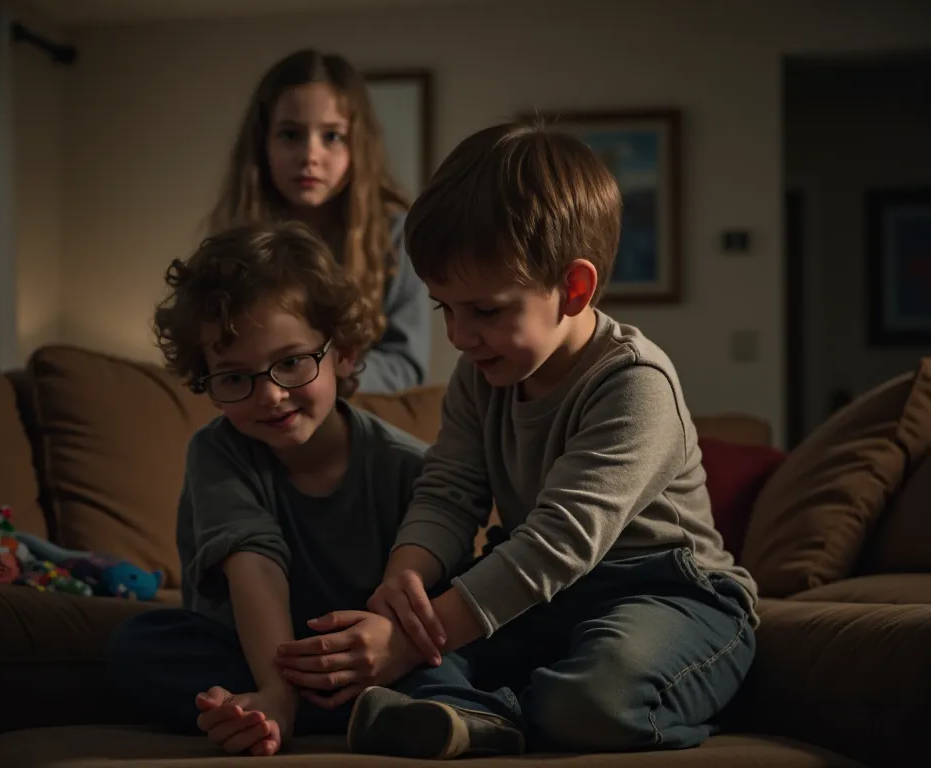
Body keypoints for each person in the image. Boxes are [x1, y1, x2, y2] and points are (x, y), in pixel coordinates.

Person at [274, 122, 761, 759]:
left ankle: (512, 705)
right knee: (403, 660)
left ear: (574, 288)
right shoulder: (481, 376)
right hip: (544, 598)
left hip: (667, 592)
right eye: (444, 308)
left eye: (485, 310)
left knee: (591, 699)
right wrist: (403, 590)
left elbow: (559, 542)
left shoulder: (635, 383)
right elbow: (449, 494)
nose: (457, 336)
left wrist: (413, 640)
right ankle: (478, 715)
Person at [107, 221, 450, 757]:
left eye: (291, 362)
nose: (269, 396)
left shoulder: (407, 465)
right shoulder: (218, 452)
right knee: (136, 648)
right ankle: (335, 712)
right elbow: (255, 564)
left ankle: (380, 705)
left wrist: (389, 651)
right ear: (207, 379)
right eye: (235, 377)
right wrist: (275, 692)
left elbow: (429, 602)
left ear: (345, 353)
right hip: (255, 653)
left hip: (374, 658)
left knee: (456, 654)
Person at [205, 48, 430, 393]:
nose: (310, 155)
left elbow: (405, 366)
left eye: (332, 136)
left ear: (359, 145)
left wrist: (314, 373)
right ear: (262, 143)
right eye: (291, 135)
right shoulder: (235, 242)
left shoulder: (395, 237)